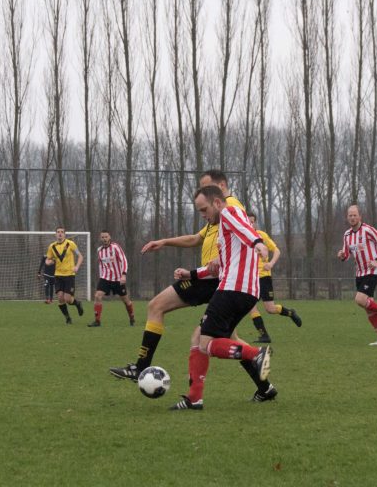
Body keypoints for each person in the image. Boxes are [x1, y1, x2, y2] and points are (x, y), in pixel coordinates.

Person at [109, 169, 278, 403]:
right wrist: (176, 253)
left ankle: (142, 367)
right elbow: (201, 242)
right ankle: (262, 387)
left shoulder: (229, 207)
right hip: (218, 279)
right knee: (223, 339)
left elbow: (245, 228)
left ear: (219, 190)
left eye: (205, 196)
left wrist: (258, 243)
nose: (202, 207)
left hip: (224, 284)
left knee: (159, 308)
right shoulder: (216, 218)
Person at [168, 185, 272, 410]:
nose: (203, 216)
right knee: (200, 339)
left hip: (232, 290)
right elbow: (220, 267)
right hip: (243, 291)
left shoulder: (228, 213)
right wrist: (192, 274)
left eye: (204, 210)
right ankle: (194, 398)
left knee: (205, 344)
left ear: (217, 202)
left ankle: (256, 354)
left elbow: (246, 230)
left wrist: (258, 243)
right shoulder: (224, 232)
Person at [337, 205, 377, 345]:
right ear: (347, 217)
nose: (352, 217)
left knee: (359, 299)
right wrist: (342, 255)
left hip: (373, 271)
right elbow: (346, 254)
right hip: (360, 273)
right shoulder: (347, 235)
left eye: (354, 215)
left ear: (360, 216)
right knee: (368, 308)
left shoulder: (368, 230)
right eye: (350, 215)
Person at [246, 213, 302, 343]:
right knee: (251, 306)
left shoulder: (262, 236)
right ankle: (264, 335)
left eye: (252, 221)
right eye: (247, 221)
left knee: (270, 309)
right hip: (250, 278)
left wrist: (270, 264)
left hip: (264, 278)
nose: (250, 224)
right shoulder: (242, 238)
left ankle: (290, 313)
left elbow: (277, 251)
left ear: (255, 223)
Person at [88, 230, 136, 328]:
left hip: (118, 279)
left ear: (109, 237)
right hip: (105, 278)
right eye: (103, 237)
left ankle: (131, 318)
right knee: (97, 296)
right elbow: (101, 265)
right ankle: (97, 321)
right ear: (100, 238)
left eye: (106, 237)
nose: (104, 239)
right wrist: (101, 277)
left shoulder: (115, 247)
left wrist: (123, 275)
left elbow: (124, 260)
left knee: (126, 301)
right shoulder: (99, 250)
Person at [46, 227, 85, 324]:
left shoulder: (70, 244)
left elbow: (80, 256)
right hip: (58, 275)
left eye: (62, 232)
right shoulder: (52, 246)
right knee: (60, 297)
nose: (60, 234)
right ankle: (68, 318)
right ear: (55, 234)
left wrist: (77, 266)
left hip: (69, 275)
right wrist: (49, 262)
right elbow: (48, 259)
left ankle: (77, 304)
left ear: (64, 234)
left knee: (68, 299)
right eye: (58, 232)